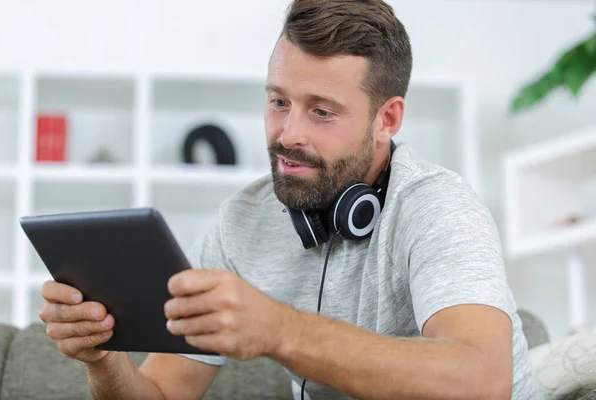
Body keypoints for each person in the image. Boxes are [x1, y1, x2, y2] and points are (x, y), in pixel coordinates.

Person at [38, 1, 543, 399]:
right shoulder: (242, 221)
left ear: (387, 120)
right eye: (279, 101)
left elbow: (482, 382)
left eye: (322, 112)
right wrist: (104, 359)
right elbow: (161, 395)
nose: (288, 134)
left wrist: (279, 329)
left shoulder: (438, 207)